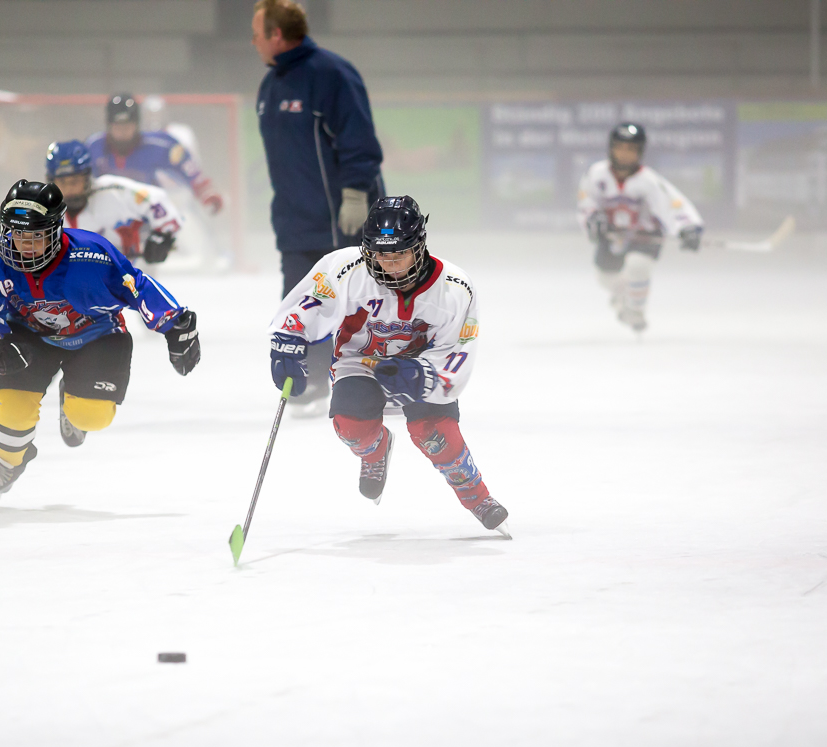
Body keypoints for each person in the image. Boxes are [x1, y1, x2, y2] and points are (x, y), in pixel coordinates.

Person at [267, 196, 509, 534]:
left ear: (419, 248)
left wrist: (424, 374)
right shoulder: (345, 268)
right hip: (359, 361)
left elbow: (458, 352)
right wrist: (289, 339)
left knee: (434, 433)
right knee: (350, 425)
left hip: (421, 363)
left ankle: (476, 495)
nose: (389, 266)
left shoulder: (454, 289)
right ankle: (375, 452)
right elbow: (308, 303)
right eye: (380, 256)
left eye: (399, 255)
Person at [0, 180, 201, 509]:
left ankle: (72, 401)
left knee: (91, 416)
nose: (24, 246)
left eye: (36, 236)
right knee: (8, 407)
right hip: (30, 339)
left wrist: (174, 325)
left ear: (56, 231)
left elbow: (137, 286)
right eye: (17, 234)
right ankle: (4, 467)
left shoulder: (92, 257)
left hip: (97, 336)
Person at [252, 0, 384, 414]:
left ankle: (369, 375)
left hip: (342, 219)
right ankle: (306, 379)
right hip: (295, 222)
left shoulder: (331, 75)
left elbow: (359, 139)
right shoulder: (271, 85)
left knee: (357, 299)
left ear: (276, 34)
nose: (253, 41)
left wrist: (356, 195)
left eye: (257, 33)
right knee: (298, 299)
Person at [577, 122, 704, 333]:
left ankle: (635, 312)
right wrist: (593, 220)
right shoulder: (596, 175)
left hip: (645, 236)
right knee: (604, 277)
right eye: (620, 147)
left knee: (638, 266)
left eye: (631, 149)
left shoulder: (649, 181)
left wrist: (687, 227)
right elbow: (587, 203)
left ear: (640, 151)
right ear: (611, 148)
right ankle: (622, 295)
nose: (625, 154)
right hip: (613, 236)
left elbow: (672, 204)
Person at [45, 140, 183, 268]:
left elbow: (156, 199)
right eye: (62, 182)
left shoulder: (114, 192)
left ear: (87, 177)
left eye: (75, 180)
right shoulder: (44, 212)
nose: (69, 189)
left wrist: (163, 235)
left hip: (133, 281)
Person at [85, 93, 224, 217]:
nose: (123, 132)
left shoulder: (158, 144)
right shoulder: (93, 147)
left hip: (148, 215)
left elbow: (187, 166)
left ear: (137, 125)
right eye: (118, 127)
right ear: (109, 126)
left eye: (127, 127)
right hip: (107, 216)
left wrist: (206, 192)